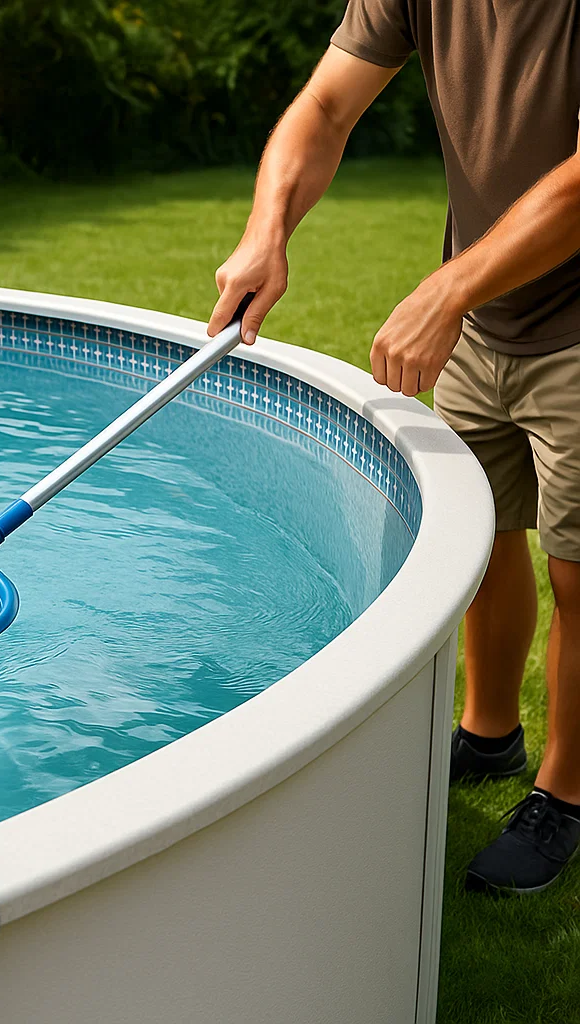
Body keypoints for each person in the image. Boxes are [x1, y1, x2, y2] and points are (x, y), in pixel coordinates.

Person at [210, 1, 580, 894]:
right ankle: (491, 734)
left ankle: (564, 796)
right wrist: (268, 229)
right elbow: (327, 108)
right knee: (477, 533)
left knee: (578, 574)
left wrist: (449, 289)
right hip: (487, 317)